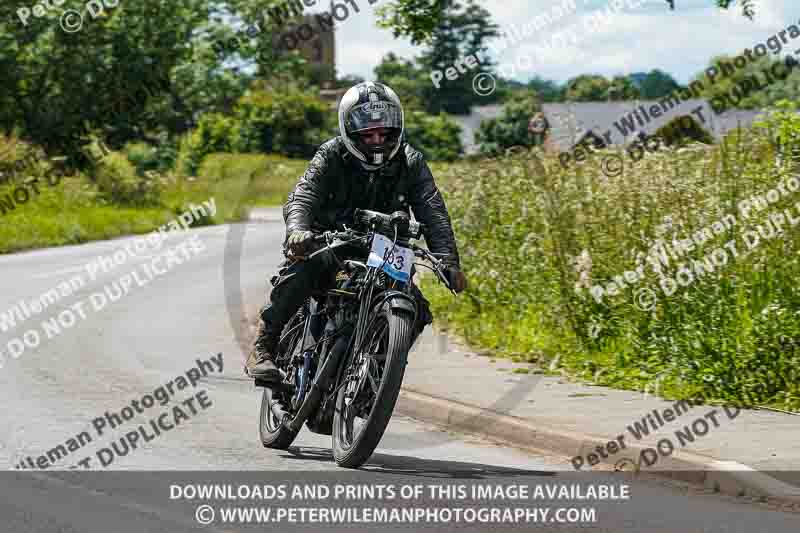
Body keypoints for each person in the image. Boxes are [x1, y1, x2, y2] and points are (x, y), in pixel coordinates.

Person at [245, 82, 467, 381]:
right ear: (350, 133)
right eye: (367, 134)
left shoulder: (411, 162)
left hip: (385, 248)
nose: (377, 140)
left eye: (384, 133)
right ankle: (264, 346)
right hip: (330, 239)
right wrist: (298, 229)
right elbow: (303, 195)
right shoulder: (332, 153)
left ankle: (376, 375)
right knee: (305, 269)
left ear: (396, 130)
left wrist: (448, 260)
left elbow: (433, 211)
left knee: (416, 306)